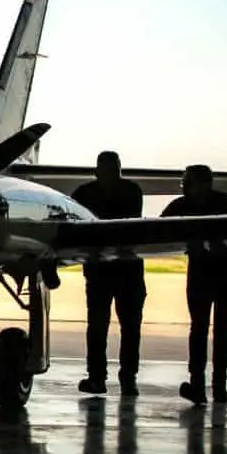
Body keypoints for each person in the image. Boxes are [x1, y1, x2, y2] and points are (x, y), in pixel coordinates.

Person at [162, 164, 227, 405]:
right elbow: (159, 227)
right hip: (210, 270)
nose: (184, 186)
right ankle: (209, 385)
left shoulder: (211, 203)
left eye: (188, 182)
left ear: (203, 184)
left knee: (211, 329)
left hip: (220, 271)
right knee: (207, 329)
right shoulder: (203, 202)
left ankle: (212, 385)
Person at [71, 151, 146, 396]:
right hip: (121, 270)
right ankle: (122, 378)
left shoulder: (84, 194)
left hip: (107, 271)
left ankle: (104, 377)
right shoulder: (131, 191)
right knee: (121, 328)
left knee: (105, 327)